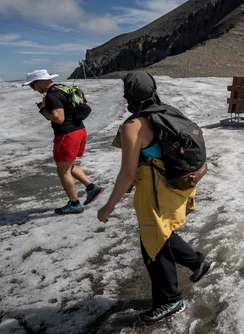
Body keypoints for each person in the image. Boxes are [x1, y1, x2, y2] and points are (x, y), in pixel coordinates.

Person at [97, 71, 211, 324]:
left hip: (154, 191)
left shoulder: (133, 125)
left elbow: (127, 173)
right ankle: (197, 263)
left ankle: (169, 300)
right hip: (176, 184)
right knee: (161, 233)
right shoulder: (166, 112)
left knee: (153, 244)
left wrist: (108, 206)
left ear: (128, 94)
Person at [24, 69, 103, 214]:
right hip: (80, 130)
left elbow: (59, 118)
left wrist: (43, 110)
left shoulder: (52, 96)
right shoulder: (63, 88)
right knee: (69, 166)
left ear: (40, 82)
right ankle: (92, 188)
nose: (33, 89)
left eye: (32, 85)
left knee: (63, 171)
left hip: (67, 135)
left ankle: (74, 204)